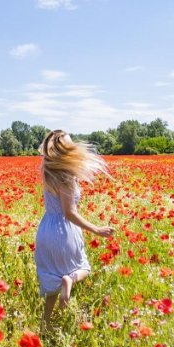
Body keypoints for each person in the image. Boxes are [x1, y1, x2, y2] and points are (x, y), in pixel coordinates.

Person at [35, 130, 115, 325]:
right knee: (83, 267)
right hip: (64, 231)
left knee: (51, 282)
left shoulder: (47, 170)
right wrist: (96, 229)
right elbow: (69, 212)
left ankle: (45, 325)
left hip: (46, 231)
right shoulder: (66, 177)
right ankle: (70, 279)